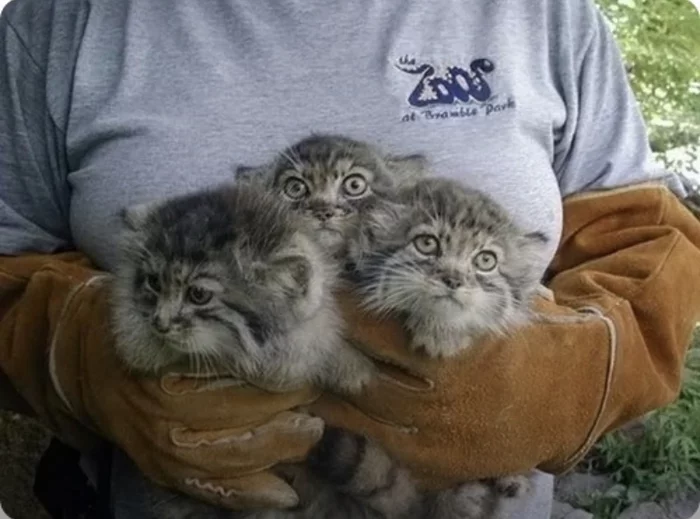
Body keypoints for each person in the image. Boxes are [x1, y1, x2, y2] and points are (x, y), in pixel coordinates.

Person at [1, 0, 700, 518]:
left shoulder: (547, 15)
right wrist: (78, 355)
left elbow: (645, 244)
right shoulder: (65, 22)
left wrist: (571, 382)